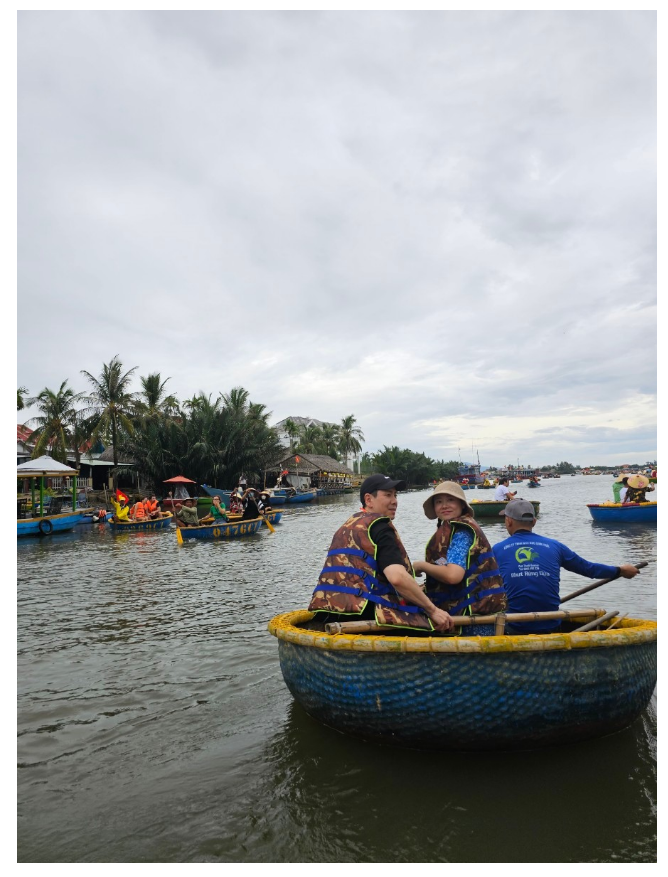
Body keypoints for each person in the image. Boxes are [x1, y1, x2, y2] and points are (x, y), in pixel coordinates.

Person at [309, 474, 454, 632]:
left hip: (329, 611)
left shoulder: (347, 526)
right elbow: (397, 577)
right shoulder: (381, 528)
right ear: (369, 499)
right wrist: (433, 610)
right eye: (387, 495)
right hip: (364, 616)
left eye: (395, 495)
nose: (394, 501)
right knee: (435, 626)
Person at [492, 499, 640, 634]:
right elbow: (589, 569)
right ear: (534, 522)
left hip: (514, 626)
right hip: (551, 623)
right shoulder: (555, 546)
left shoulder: (497, 550)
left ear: (509, 521)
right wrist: (620, 570)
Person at [412, 482, 506, 635]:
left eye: (450, 500)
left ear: (462, 505)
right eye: (439, 502)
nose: (444, 505)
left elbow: (453, 576)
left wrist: (421, 566)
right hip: (467, 614)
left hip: (474, 623)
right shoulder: (451, 529)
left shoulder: (462, 532)